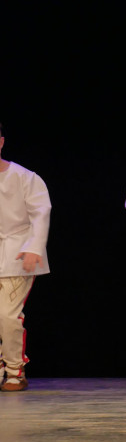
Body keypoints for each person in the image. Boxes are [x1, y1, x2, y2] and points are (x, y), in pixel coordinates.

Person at [0, 122, 51, 393]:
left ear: (1, 143)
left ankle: (14, 370)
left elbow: (41, 212)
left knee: (7, 315)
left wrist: (34, 246)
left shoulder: (24, 177)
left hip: (17, 253)